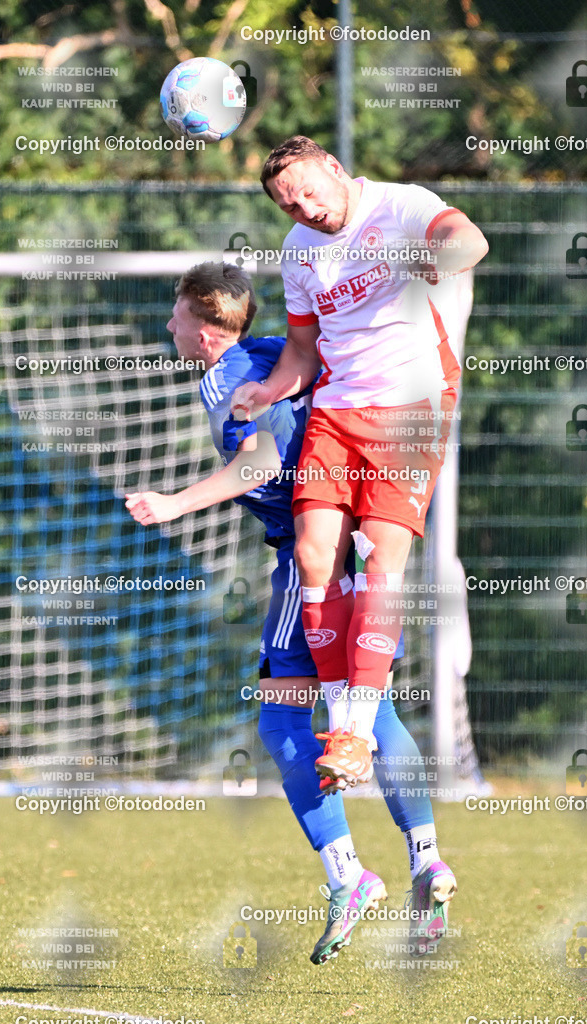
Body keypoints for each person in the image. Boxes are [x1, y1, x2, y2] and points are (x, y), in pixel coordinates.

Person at [125, 261, 455, 963]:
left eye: (176, 313)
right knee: (377, 711)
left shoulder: (225, 376)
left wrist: (173, 504)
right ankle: (427, 860)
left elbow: (260, 463)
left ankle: (347, 876)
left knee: (279, 717)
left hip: (314, 555)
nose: (167, 324)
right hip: (366, 536)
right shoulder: (279, 350)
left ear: (206, 329)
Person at [232, 134, 489, 932]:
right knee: (314, 554)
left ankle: (348, 734)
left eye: (308, 193)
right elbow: (305, 351)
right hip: (338, 416)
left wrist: (435, 260)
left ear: (335, 171)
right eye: (288, 204)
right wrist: (264, 391)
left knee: (380, 562)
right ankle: (353, 739)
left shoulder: (399, 207)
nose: (304, 209)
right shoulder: (298, 250)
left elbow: (469, 240)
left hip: (411, 410)